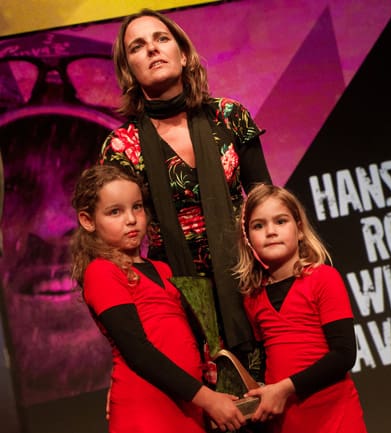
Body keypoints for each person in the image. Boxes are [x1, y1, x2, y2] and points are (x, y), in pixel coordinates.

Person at [98, 8, 272, 383]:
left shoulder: (229, 117)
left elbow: (268, 205)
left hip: (251, 280)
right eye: (138, 47)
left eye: (162, 39)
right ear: (128, 70)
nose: (153, 50)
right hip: (176, 298)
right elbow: (116, 245)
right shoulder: (121, 148)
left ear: (184, 53)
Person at [70, 164, 248, 433]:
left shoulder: (162, 270)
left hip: (186, 404)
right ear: (88, 220)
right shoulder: (102, 272)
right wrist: (208, 399)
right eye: (115, 212)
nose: (131, 219)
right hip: (146, 408)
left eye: (137, 207)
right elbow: (138, 351)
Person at [233, 184, 368, 433]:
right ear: (248, 238)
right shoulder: (252, 297)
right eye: (258, 225)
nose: (270, 231)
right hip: (286, 420)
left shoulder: (323, 278)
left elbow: (344, 354)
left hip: (335, 415)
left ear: (300, 229)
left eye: (280, 221)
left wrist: (285, 388)